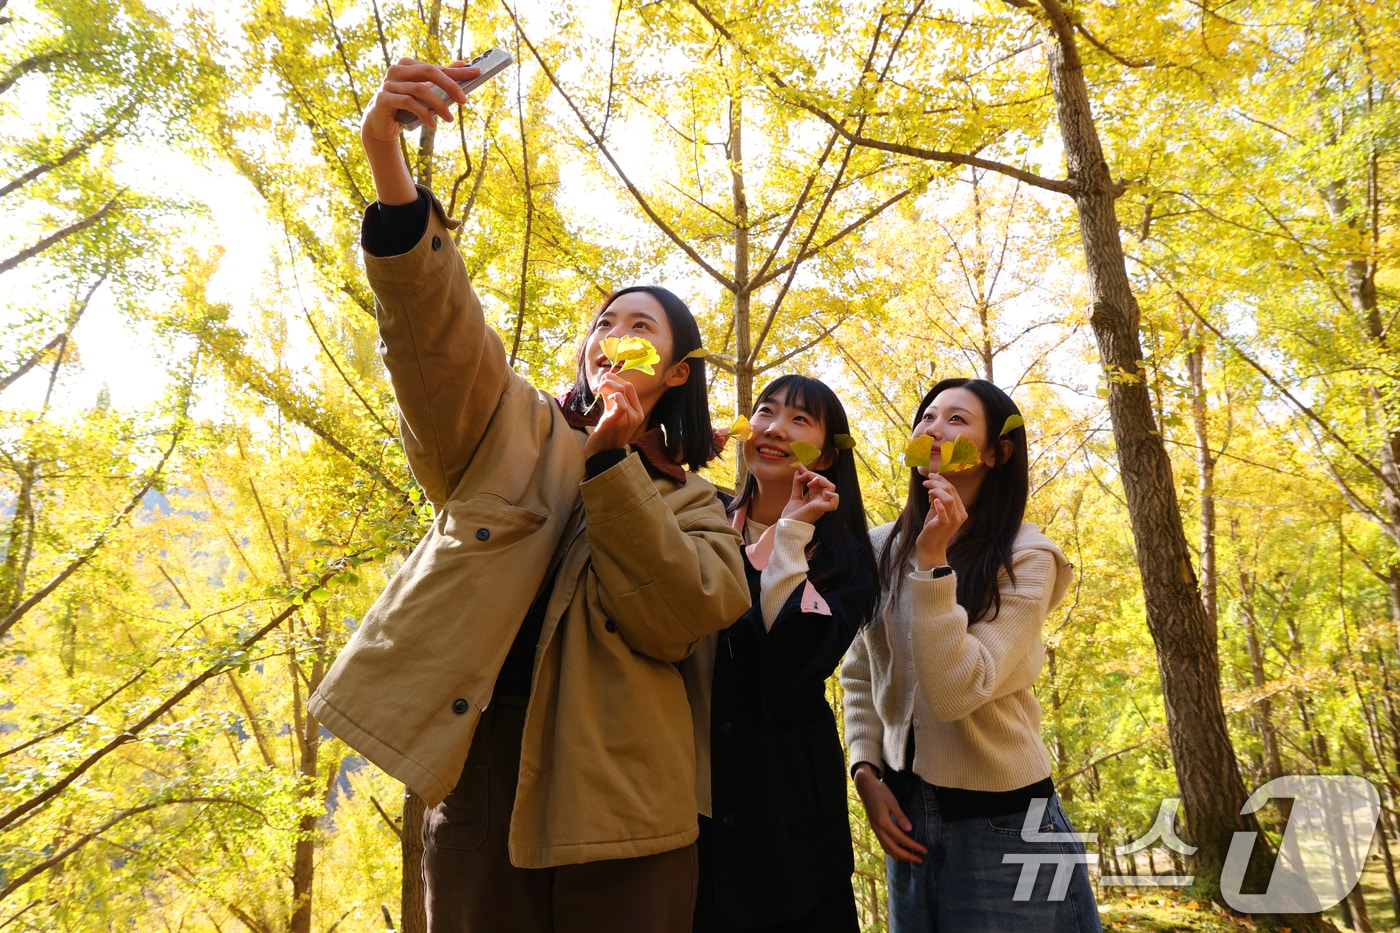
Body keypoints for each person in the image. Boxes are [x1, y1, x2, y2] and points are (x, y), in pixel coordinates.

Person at [308, 58, 751, 933]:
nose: (612, 334)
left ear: (672, 372)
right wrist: (389, 169)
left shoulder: (700, 503)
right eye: (604, 321)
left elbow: (682, 611)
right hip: (479, 792)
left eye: (640, 325)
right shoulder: (512, 426)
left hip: (630, 813)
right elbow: (440, 342)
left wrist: (614, 468)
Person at [840, 377, 1101, 932]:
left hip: (1005, 823)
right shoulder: (880, 545)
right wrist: (865, 768)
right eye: (928, 417)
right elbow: (861, 672)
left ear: (995, 452)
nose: (934, 428)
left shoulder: (1028, 558)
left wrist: (933, 564)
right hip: (907, 814)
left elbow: (957, 691)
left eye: (957, 420)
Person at [685, 375, 879, 933]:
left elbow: (788, 670)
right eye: (766, 412)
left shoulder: (846, 560)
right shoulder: (701, 516)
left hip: (784, 807)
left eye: (800, 419)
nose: (774, 429)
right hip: (686, 790)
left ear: (828, 449)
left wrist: (791, 533)